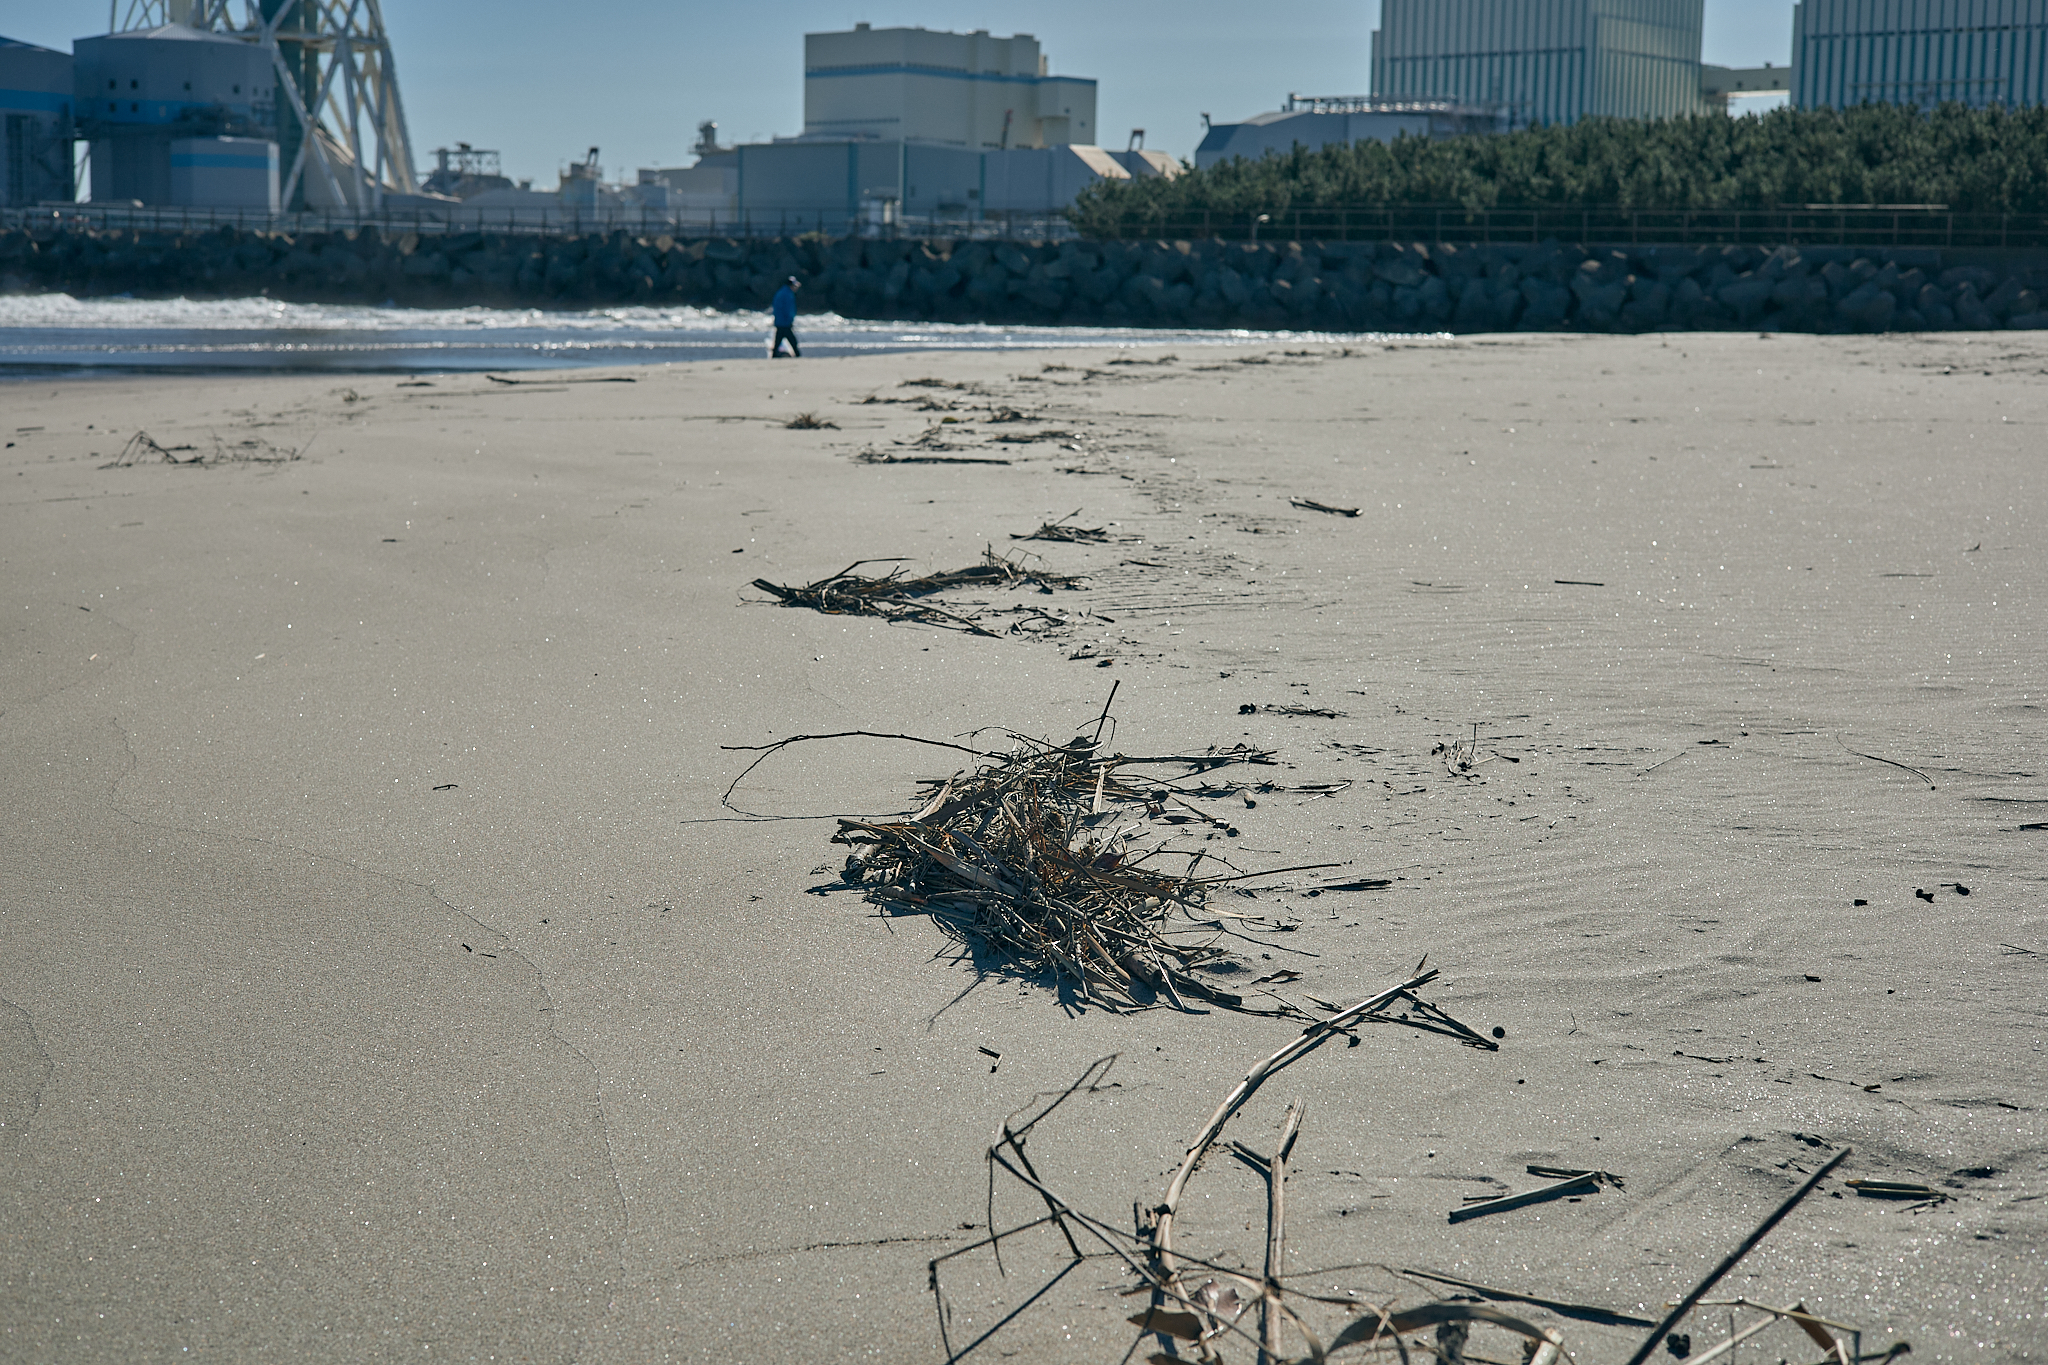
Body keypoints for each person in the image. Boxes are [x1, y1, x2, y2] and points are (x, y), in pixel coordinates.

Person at [770, 277, 801, 358]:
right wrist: (790, 320)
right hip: (785, 322)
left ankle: (774, 356)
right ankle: (798, 355)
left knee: (778, 341)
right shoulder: (788, 294)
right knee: (792, 341)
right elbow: (789, 310)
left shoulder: (780, 292)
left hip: (779, 321)